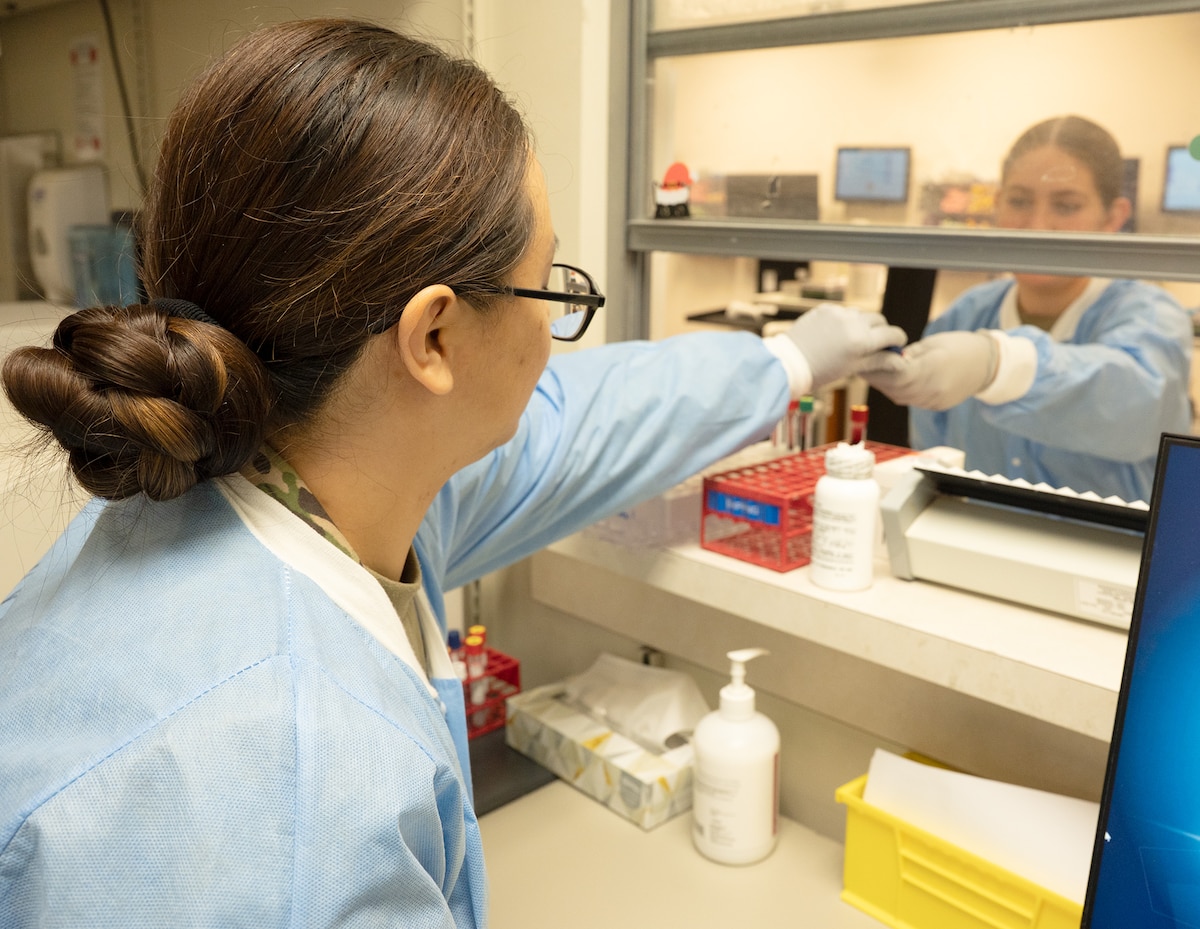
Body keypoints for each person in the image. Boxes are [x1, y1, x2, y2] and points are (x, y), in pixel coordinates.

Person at [0, 19, 905, 927]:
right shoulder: (288, 788)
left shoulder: (274, 486)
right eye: (552, 288)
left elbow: (580, 417)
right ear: (433, 338)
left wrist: (784, 362)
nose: (554, 337)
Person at [866, 115, 1193, 502]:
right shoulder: (968, 313)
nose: (1037, 225)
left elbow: (1138, 405)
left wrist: (1000, 364)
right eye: (1019, 201)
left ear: (1113, 218)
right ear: (998, 204)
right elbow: (933, 462)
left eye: (1066, 206)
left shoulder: (1150, 315)